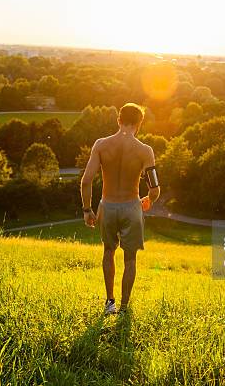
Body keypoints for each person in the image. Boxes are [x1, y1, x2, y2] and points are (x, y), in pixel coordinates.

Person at [80, 103, 161, 315]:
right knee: (130, 258)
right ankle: (124, 308)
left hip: (106, 207)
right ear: (139, 124)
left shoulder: (101, 145)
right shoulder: (145, 150)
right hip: (131, 208)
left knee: (108, 252)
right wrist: (149, 200)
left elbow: (86, 181)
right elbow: (155, 188)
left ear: (118, 120)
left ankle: (110, 303)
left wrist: (87, 209)